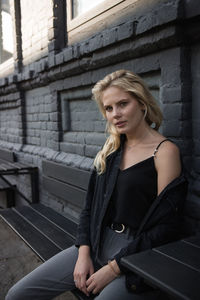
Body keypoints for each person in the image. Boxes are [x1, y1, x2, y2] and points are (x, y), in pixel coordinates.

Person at [6, 70, 187, 300]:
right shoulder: (110, 151)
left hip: (137, 254)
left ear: (142, 103)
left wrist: (112, 269)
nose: (115, 114)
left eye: (123, 104)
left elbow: (166, 227)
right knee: (17, 294)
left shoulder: (164, 152)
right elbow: (89, 208)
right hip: (97, 241)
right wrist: (83, 253)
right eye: (109, 108)